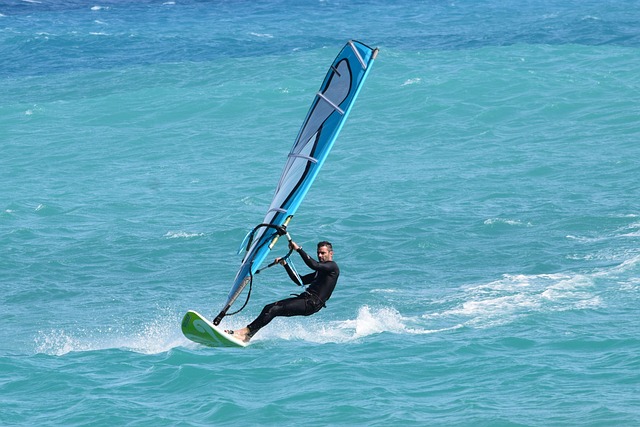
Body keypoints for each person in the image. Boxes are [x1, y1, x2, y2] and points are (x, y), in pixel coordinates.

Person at [227, 240, 340, 342]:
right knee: (269, 308)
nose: (320, 255)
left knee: (273, 309)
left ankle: (244, 333)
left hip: (311, 303)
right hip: (305, 300)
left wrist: (299, 249)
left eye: (323, 253)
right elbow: (299, 280)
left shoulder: (332, 267)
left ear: (331, 253)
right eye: (318, 253)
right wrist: (285, 265)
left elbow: (314, 264)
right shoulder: (320, 271)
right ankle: (248, 335)